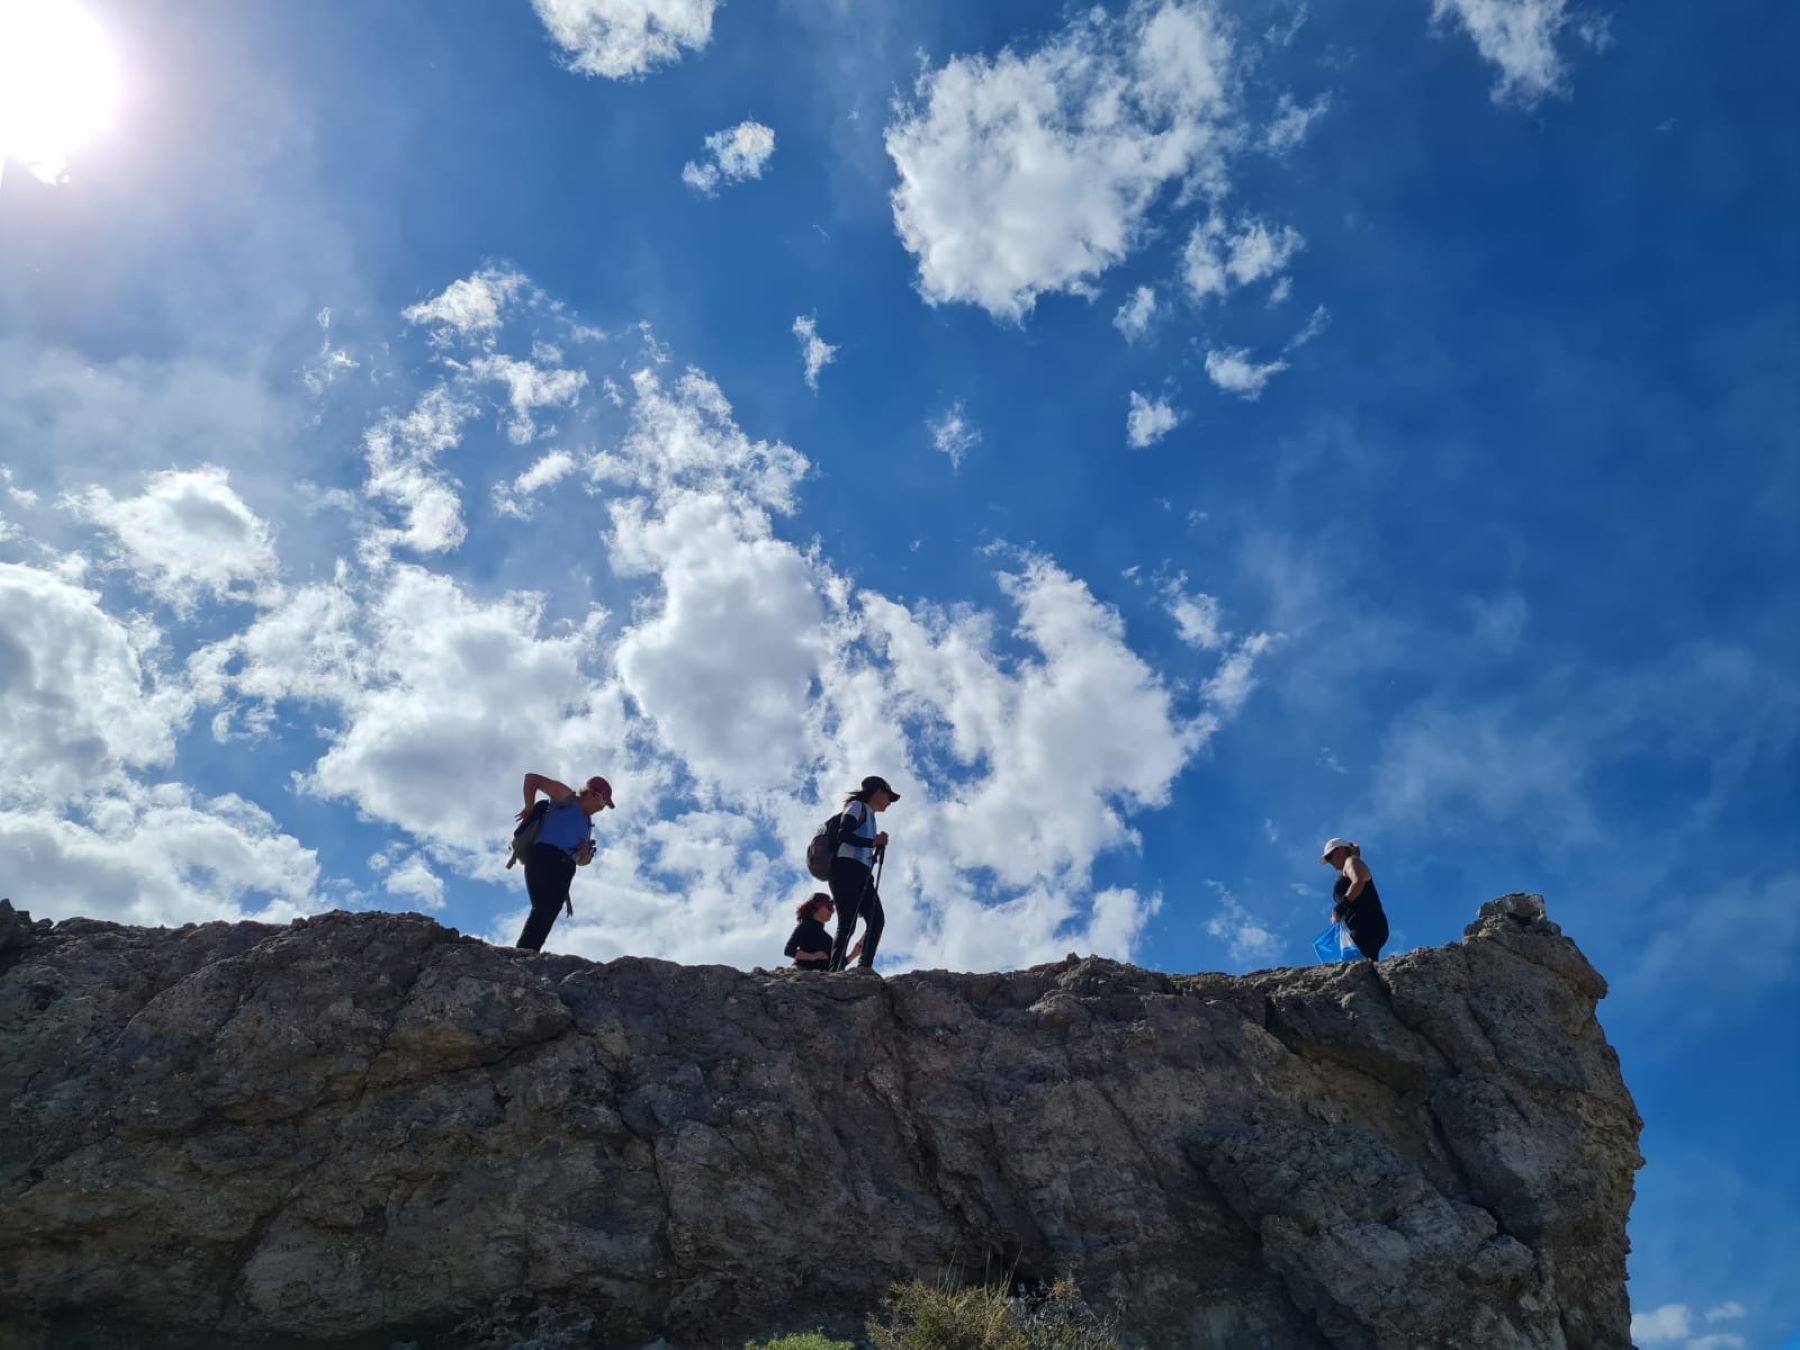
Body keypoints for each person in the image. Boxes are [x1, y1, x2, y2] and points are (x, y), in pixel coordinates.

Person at [514, 772, 614, 951]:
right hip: (545, 855)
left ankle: (527, 952)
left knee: (549, 909)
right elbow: (532, 779)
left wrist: (584, 857)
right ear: (592, 793)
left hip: (565, 867)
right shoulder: (567, 797)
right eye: (603, 802)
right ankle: (523, 953)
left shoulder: (587, 825)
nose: (603, 808)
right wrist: (529, 807)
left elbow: (582, 861)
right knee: (545, 906)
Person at [827, 774, 898, 972]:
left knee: (876, 918)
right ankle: (835, 970)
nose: (889, 803)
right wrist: (873, 842)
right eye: (888, 797)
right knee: (848, 921)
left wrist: (873, 844)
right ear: (878, 792)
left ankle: (863, 969)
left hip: (861, 871)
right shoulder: (857, 807)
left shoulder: (868, 814)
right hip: (845, 868)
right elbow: (843, 834)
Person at [1320, 837, 1388, 960]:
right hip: (1366, 927)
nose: (1330, 862)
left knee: (1350, 970)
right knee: (1365, 971)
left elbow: (1359, 880)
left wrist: (1340, 908)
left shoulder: (1351, 861)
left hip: (1366, 927)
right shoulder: (1352, 863)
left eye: (1330, 857)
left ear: (1341, 850)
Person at [784, 893, 835, 970]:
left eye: (832, 908)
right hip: (803, 972)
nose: (832, 911)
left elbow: (836, 962)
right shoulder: (805, 926)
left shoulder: (829, 939)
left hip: (822, 978)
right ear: (817, 906)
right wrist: (812, 956)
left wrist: (853, 954)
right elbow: (789, 950)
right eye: (829, 907)